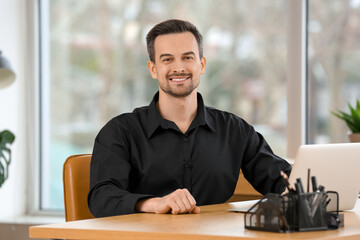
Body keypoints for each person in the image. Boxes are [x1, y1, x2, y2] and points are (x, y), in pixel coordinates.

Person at [88, 19, 291, 217]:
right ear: (153, 69)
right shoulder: (120, 132)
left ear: (201, 65)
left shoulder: (234, 130)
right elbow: (101, 197)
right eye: (167, 59)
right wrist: (155, 203)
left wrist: (297, 191)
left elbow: (282, 179)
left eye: (188, 57)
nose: (179, 68)